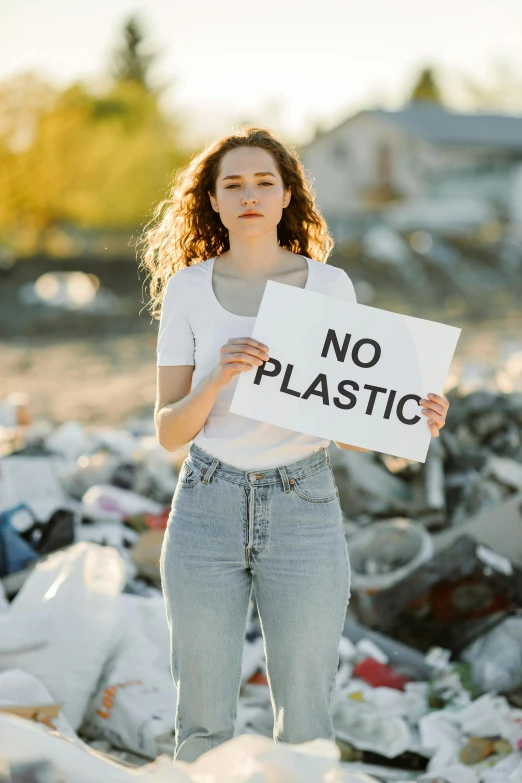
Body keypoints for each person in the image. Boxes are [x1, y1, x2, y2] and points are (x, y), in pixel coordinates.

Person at [139, 126, 449, 762]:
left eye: (263, 183)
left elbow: (354, 428)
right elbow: (168, 430)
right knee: (201, 725)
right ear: (213, 201)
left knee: (307, 728)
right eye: (233, 184)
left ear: (286, 198)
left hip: (304, 504)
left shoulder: (328, 287)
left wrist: (411, 419)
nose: (249, 195)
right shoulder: (188, 290)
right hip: (206, 505)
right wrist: (217, 376)